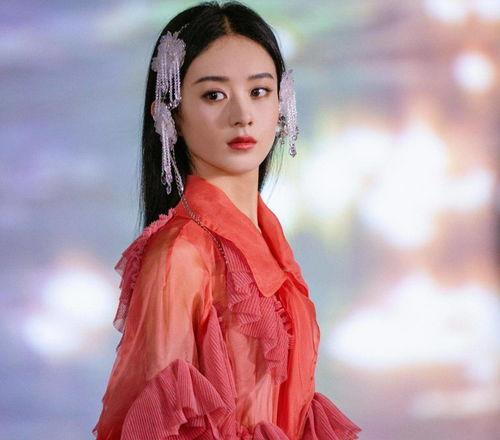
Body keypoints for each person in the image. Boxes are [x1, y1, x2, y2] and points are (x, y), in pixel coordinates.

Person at [92, 1, 362, 439]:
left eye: (259, 91)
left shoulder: (272, 243)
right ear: (170, 114)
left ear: (282, 104)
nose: (242, 115)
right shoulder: (182, 255)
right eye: (214, 95)